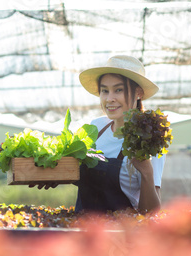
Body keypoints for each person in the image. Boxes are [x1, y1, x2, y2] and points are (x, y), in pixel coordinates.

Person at [32, 55, 164, 214]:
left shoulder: (147, 141)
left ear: (138, 93)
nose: (109, 99)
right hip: (82, 229)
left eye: (118, 90)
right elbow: (85, 175)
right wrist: (55, 175)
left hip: (120, 235)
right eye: (104, 91)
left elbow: (152, 213)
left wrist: (147, 172)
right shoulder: (96, 128)